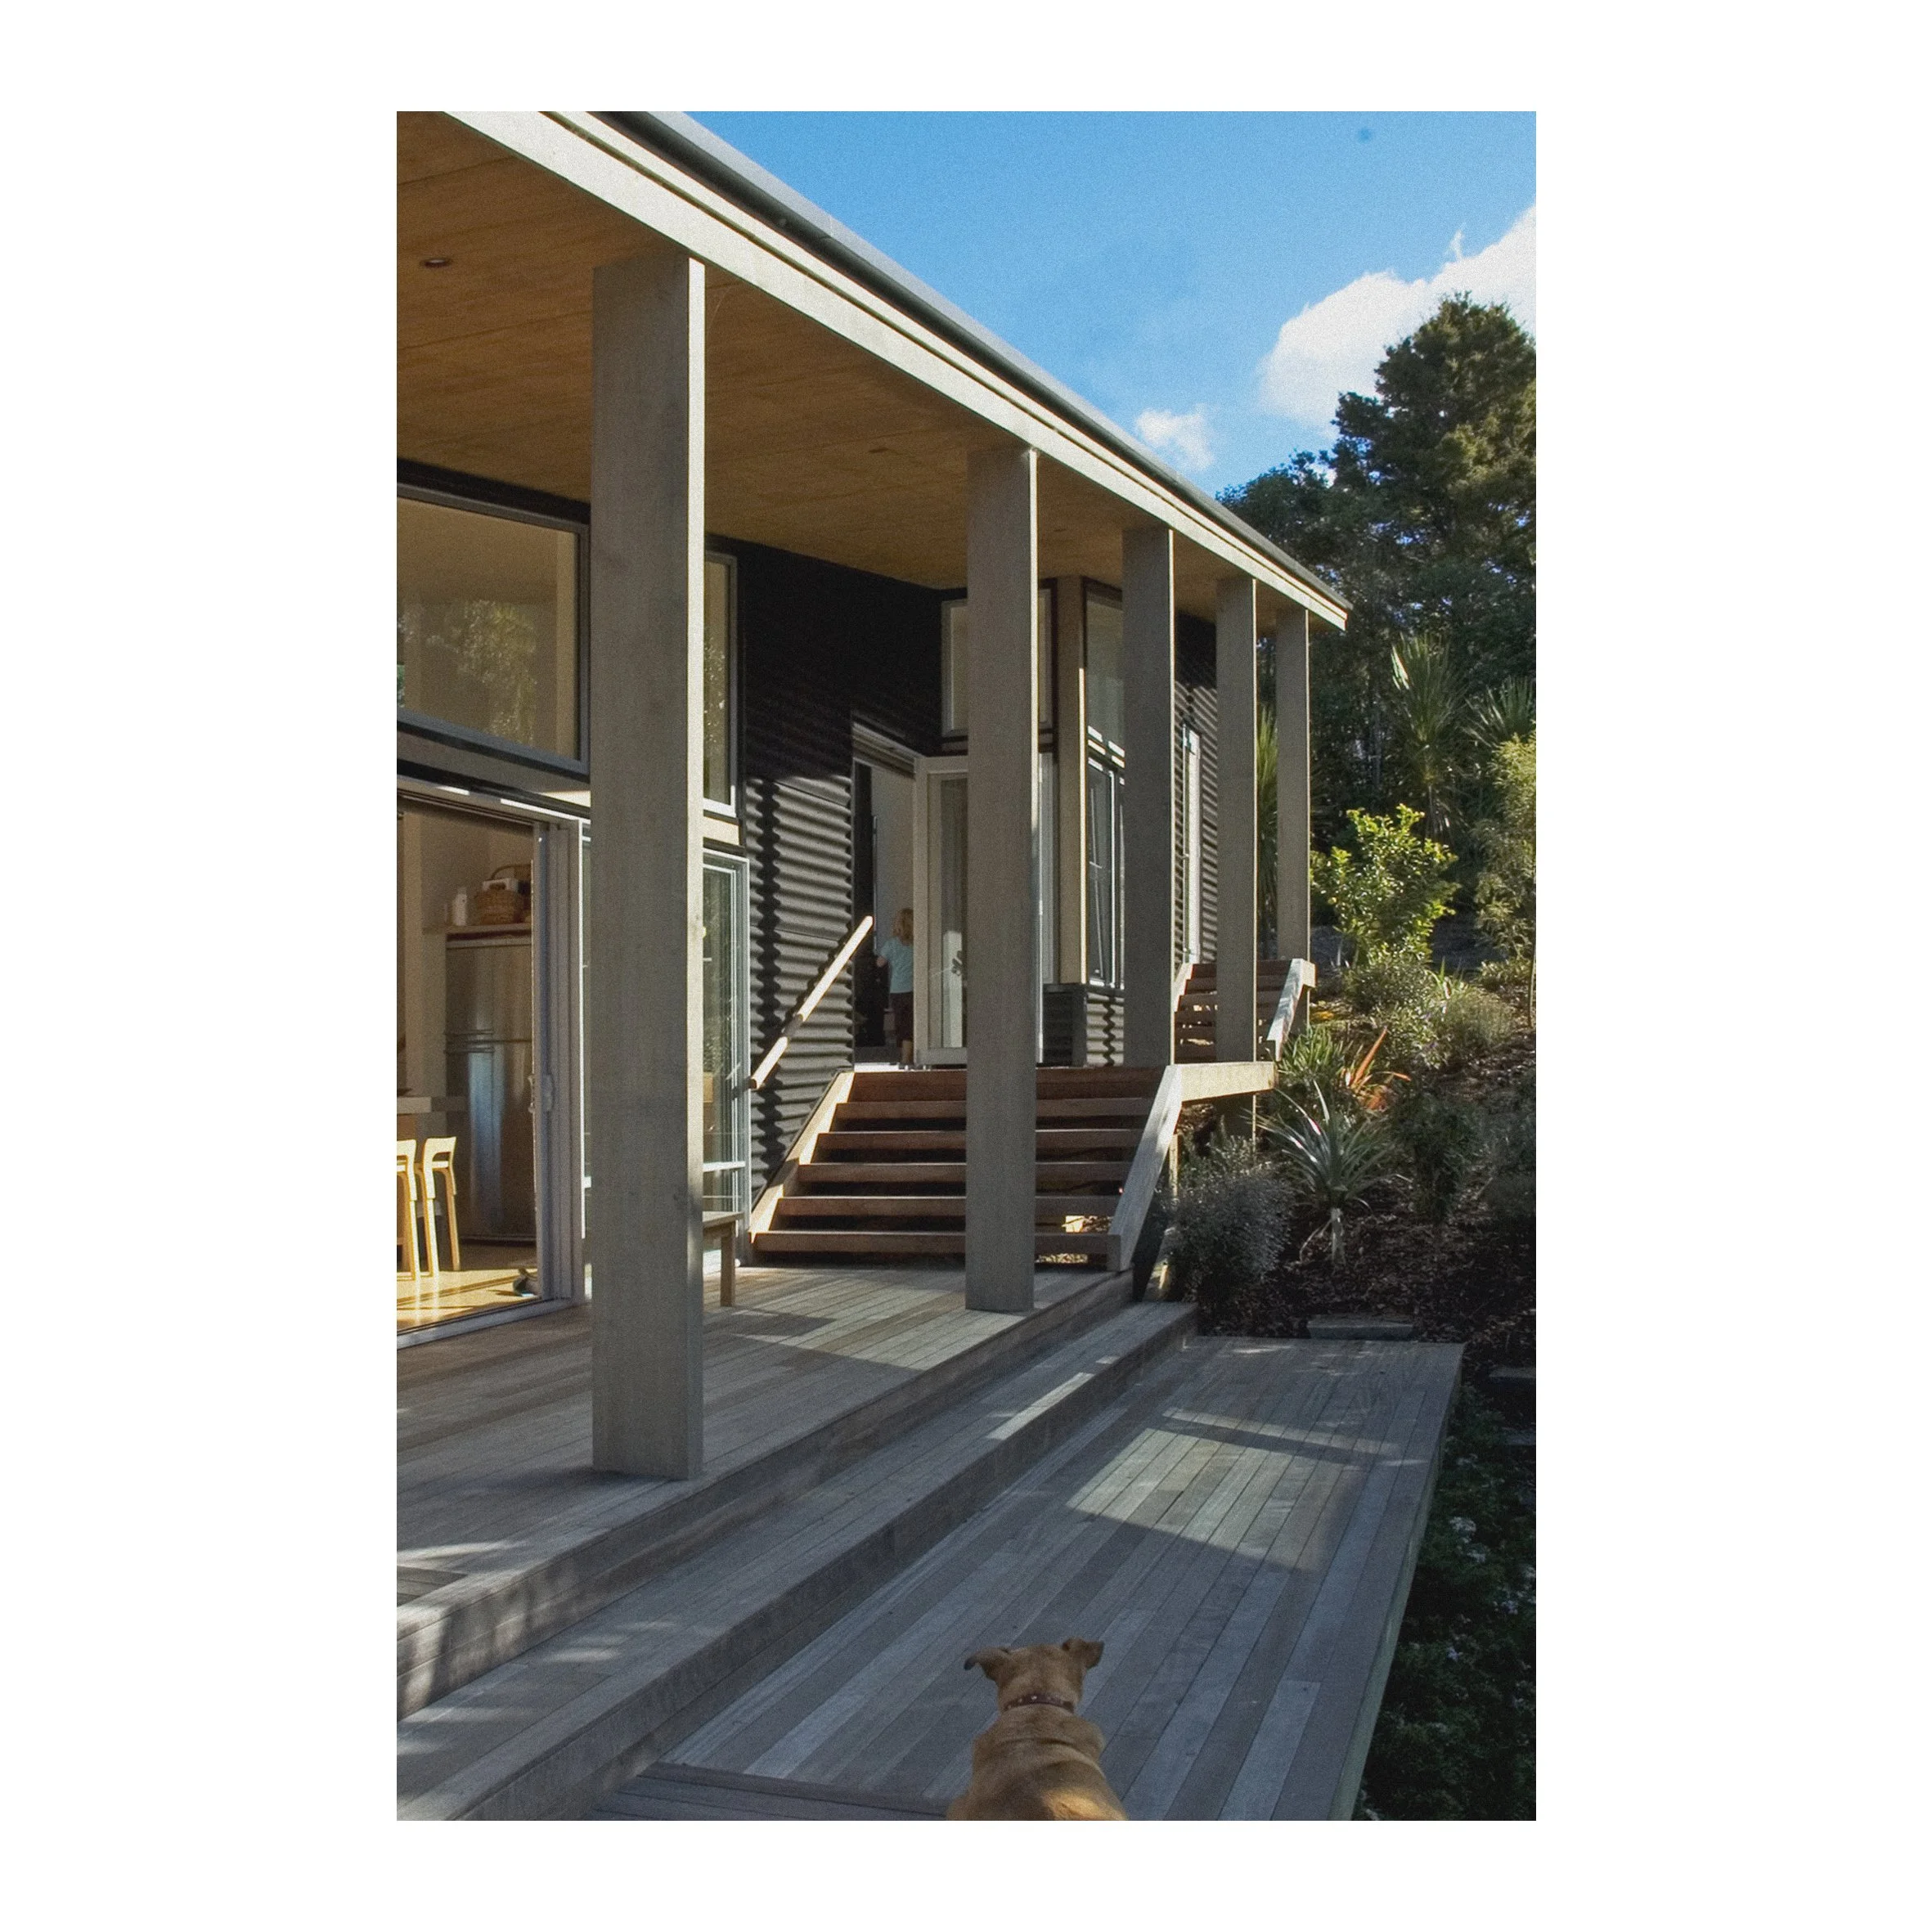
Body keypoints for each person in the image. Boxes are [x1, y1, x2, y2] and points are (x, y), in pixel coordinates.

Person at [874, 908, 916, 1066]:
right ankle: (909, 1056)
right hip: (914, 989)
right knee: (910, 1024)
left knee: (901, 1023)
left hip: (897, 989)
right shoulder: (917, 943)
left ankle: (904, 1058)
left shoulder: (892, 944)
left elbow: (880, 963)